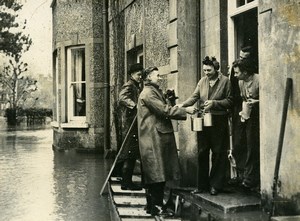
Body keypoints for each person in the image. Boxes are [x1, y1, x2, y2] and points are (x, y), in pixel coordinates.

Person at [137, 66, 196, 216]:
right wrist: (185, 111)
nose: (160, 78)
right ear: (149, 77)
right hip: (154, 138)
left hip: (155, 136)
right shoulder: (149, 93)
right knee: (157, 173)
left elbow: (163, 107)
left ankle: (152, 206)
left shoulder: (152, 91)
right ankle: (156, 207)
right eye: (157, 75)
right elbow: (163, 110)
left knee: (156, 172)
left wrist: (170, 99)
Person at [179, 56, 233, 196]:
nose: (206, 73)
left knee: (218, 153)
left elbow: (230, 101)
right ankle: (201, 186)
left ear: (216, 69)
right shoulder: (202, 81)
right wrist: (182, 105)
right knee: (202, 152)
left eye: (209, 70)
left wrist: (215, 103)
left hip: (219, 121)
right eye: (204, 70)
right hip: (204, 119)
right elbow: (194, 96)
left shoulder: (226, 81)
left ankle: (215, 185)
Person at [228, 46, 256, 185]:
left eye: (244, 58)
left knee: (251, 143)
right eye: (240, 57)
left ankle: (250, 177)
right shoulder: (238, 79)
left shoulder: (257, 77)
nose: (241, 60)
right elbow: (235, 93)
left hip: (254, 113)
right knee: (238, 141)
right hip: (240, 109)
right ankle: (240, 174)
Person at [232, 58, 260, 190]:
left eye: (237, 72)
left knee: (252, 146)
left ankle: (250, 179)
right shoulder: (240, 82)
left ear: (245, 72)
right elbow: (244, 98)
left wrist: (256, 102)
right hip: (246, 115)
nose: (235, 75)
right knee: (239, 143)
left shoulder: (258, 80)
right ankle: (243, 175)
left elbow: (268, 97)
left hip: (258, 117)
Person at [118, 63, 144, 190]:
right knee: (130, 152)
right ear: (132, 74)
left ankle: (126, 181)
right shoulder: (129, 85)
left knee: (131, 152)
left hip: (135, 123)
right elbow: (122, 98)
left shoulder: (137, 86)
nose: (140, 77)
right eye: (138, 74)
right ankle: (126, 183)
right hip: (130, 124)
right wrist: (134, 105)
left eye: (141, 74)